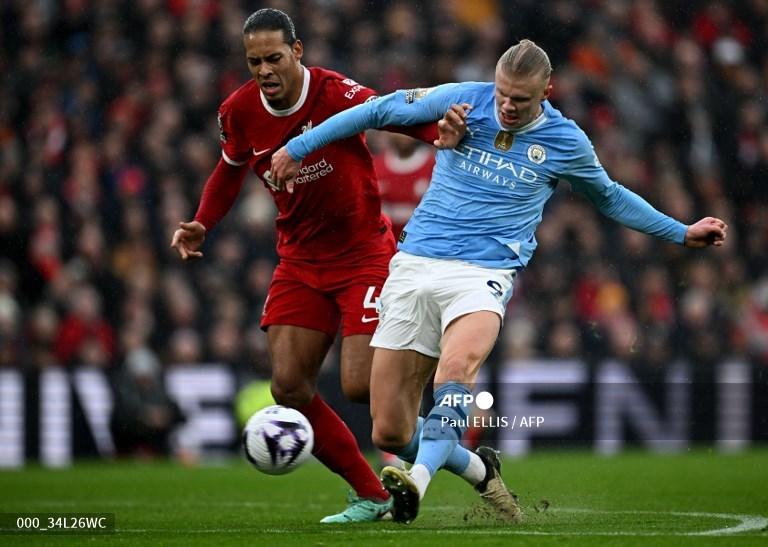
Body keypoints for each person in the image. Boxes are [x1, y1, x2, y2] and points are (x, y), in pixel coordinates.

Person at [270, 39, 728, 524]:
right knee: (388, 432)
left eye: (521, 100)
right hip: (414, 266)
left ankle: (415, 484)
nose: (507, 106)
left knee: (455, 373)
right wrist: (297, 146)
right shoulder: (463, 100)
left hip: (482, 275)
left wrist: (680, 231)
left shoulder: (565, 141)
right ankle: (478, 469)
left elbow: (610, 197)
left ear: (546, 91)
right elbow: (377, 109)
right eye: (503, 94)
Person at [169, 8, 464, 524]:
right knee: (288, 386)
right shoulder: (238, 111)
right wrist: (202, 223)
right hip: (300, 260)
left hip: (364, 254)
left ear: (297, 52)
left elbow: (392, 113)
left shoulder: (334, 92)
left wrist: (440, 133)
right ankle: (371, 493)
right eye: (254, 60)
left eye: (274, 57)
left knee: (359, 385)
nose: (264, 69)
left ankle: (455, 455)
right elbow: (229, 169)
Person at [373, 133, 435, 239]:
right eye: (399, 131)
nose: (404, 137)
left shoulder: (433, 164)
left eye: (408, 131)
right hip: (387, 239)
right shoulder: (376, 165)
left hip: (420, 239)